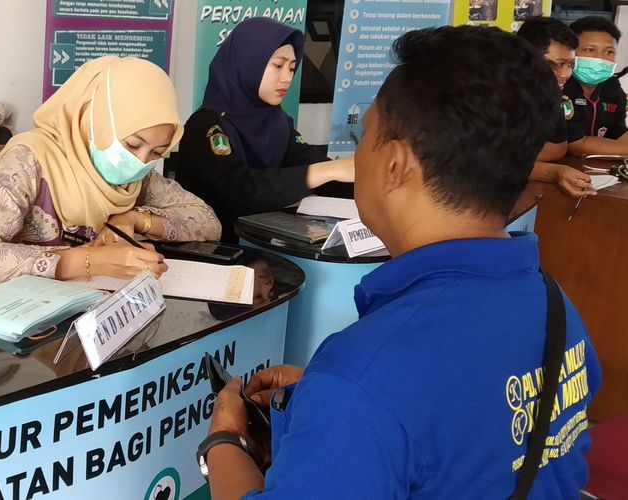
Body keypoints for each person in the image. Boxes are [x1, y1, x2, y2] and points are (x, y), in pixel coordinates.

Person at [200, 26, 601, 498]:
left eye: (364, 133)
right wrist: (328, 412)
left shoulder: (363, 381)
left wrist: (224, 442)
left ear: (395, 164)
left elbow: (398, 399)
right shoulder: (555, 306)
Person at [0, 57, 221, 285]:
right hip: (24, 330)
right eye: (132, 144)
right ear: (95, 119)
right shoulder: (29, 160)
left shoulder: (136, 177)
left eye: (157, 153)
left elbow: (208, 221)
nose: (139, 161)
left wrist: (133, 219)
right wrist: (87, 261)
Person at [176, 17, 354, 240]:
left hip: (263, 243)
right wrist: (326, 171)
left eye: (291, 68)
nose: (287, 78)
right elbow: (239, 190)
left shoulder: (277, 121)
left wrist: (361, 180)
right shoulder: (207, 125)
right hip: (215, 249)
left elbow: (305, 159)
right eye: (278, 65)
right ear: (248, 62)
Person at [517, 16, 595, 198]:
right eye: (556, 65)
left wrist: (517, 159)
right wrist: (552, 172)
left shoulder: (553, 97)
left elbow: (557, 148)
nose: (565, 75)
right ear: (524, 60)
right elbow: (484, 162)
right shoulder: (492, 97)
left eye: (570, 65)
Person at [563, 16, 628, 156]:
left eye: (609, 52)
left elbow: (617, 132)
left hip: (599, 169)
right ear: (570, 52)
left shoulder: (612, 86)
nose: (600, 58)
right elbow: (575, 144)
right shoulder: (560, 86)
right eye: (589, 50)